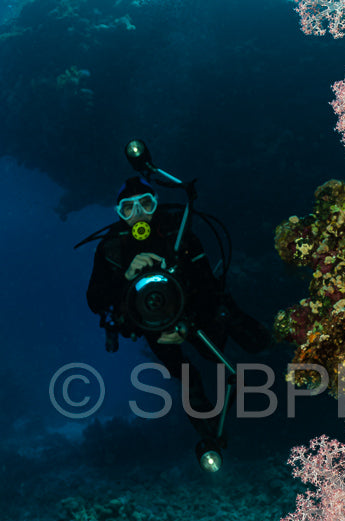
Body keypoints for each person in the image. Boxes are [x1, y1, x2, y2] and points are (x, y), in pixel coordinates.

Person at [86, 172, 269, 464]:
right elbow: (94, 300)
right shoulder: (111, 248)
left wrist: (187, 322)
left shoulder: (178, 234)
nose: (138, 215)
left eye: (145, 203)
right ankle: (210, 436)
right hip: (150, 326)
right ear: (119, 213)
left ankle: (263, 336)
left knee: (225, 353)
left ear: (156, 203)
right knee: (187, 376)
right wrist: (125, 275)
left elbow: (207, 285)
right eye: (128, 208)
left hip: (192, 313)